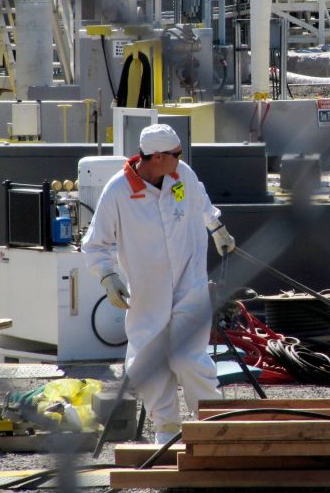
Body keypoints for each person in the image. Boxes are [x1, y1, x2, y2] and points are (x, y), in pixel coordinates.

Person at [82, 124, 237, 444]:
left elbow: (201, 202)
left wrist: (217, 227)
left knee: (189, 360)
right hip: (147, 293)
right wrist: (108, 277)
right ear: (155, 157)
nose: (181, 160)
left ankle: (214, 424)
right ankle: (166, 430)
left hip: (189, 284)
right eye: (176, 155)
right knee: (149, 363)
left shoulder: (182, 176)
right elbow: (95, 244)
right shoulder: (117, 192)